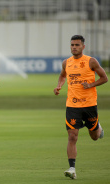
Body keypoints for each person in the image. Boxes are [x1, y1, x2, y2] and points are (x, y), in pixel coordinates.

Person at [54, 35, 108, 179]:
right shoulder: (66, 63)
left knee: (95, 136)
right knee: (72, 136)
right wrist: (59, 85)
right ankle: (72, 168)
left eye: (77, 45)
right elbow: (62, 76)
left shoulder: (91, 61)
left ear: (83, 47)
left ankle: (98, 128)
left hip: (90, 105)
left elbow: (104, 78)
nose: (74, 47)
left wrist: (90, 85)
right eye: (72, 45)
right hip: (72, 105)